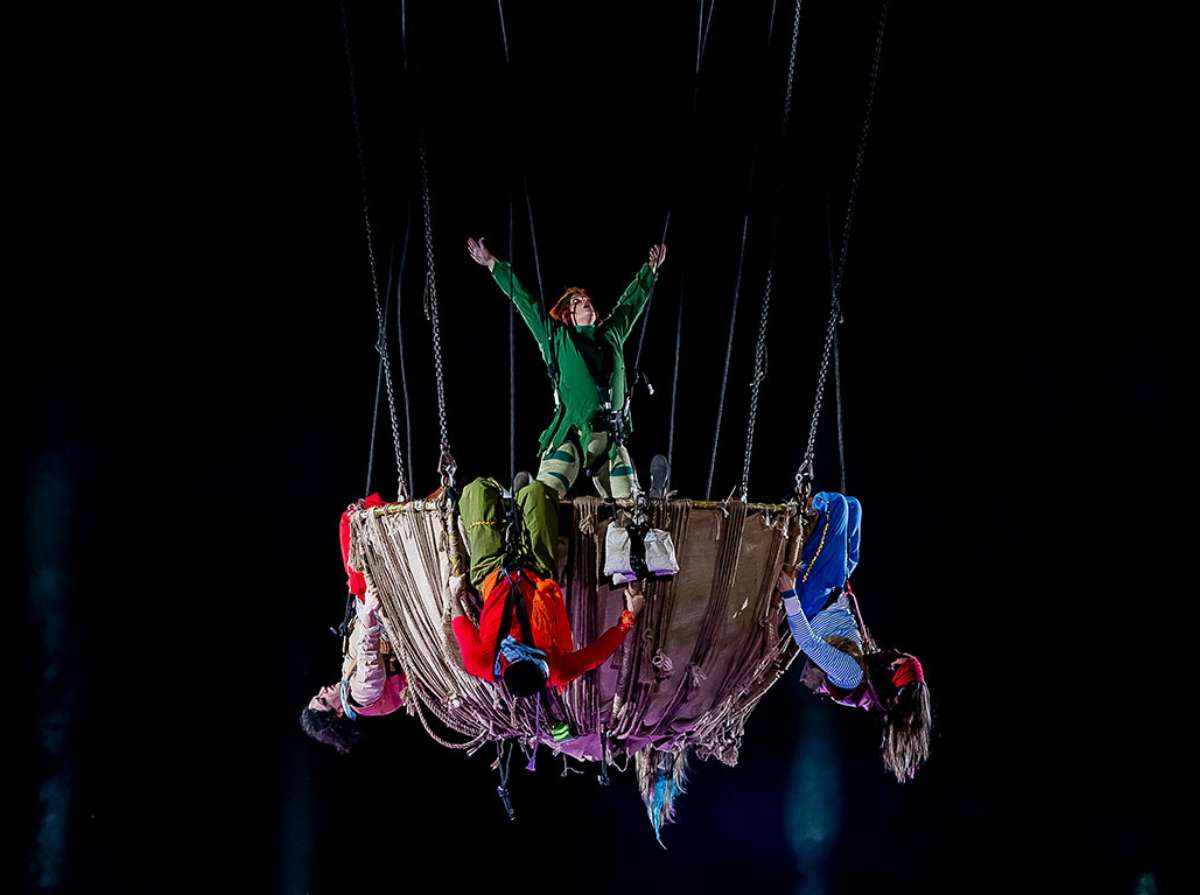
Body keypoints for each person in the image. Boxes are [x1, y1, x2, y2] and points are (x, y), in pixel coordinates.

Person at [467, 236, 666, 499]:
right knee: (541, 496)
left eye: (586, 299)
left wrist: (650, 270)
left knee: (632, 506)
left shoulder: (612, 334)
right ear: (567, 316)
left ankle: (649, 498)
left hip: (610, 441)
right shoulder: (558, 339)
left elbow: (631, 304)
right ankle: (520, 498)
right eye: (576, 302)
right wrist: (493, 264)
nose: (585, 301)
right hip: (572, 434)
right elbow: (526, 303)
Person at [777, 491, 932, 782]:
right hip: (834, 592)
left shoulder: (851, 676)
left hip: (814, 600)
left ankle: (806, 502)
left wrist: (789, 596)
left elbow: (808, 642)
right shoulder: (870, 669)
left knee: (837, 506)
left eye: (898, 661)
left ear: (895, 673)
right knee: (854, 507)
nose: (893, 656)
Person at [449, 476, 645, 695]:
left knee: (477, 490)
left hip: (492, 574)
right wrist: (628, 618)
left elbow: (460, 625)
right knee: (537, 493)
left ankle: (503, 503)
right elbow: (595, 655)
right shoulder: (557, 671)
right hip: (537, 572)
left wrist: (454, 595)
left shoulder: (481, 664)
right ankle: (521, 503)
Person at [300, 495, 407, 754]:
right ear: (337, 713)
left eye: (318, 694)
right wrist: (368, 612)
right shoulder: (362, 694)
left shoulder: (349, 683)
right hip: (385, 621)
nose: (323, 690)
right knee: (350, 526)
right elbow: (370, 652)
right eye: (324, 699)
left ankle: (391, 509)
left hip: (373, 614)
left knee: (351, 526)